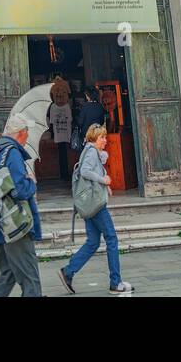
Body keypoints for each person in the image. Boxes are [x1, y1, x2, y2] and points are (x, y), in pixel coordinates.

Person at [58, 123, 134, 296]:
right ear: (94, 138)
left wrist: (103, 183)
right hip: (96, 206)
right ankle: (115, 282)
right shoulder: (91, 151)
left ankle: (68, 272)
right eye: (102, 137)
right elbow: (85, 171)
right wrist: (103, 180)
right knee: (112, 239)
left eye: (105, 137)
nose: (105, 140)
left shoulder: (90, 151)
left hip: (89, 205)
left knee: (93, 242)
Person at [0, 113, 42, 297]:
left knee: (9, 274)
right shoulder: (12, 153)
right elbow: (20, 190)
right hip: (15, 225)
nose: (28, 137)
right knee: (30, 277)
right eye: (27, 133)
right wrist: (31, 181)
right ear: (22, 133)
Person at [48, 78, 73, 181]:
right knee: (66, 152)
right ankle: (66, 173)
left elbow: (51, 121)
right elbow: (70, 119)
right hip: (66, 131)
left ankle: (63, 174)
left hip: (57, 132)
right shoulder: (67, 106)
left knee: (61, 152)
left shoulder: (53, 106)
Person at [75, 86, 106, 151]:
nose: (86, 96)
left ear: (88, 96)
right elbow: (102, 121)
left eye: (86, 95)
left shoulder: (85, 107)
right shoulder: (100, 106)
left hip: (87, 136)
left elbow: (80, 122)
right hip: (97, 135)